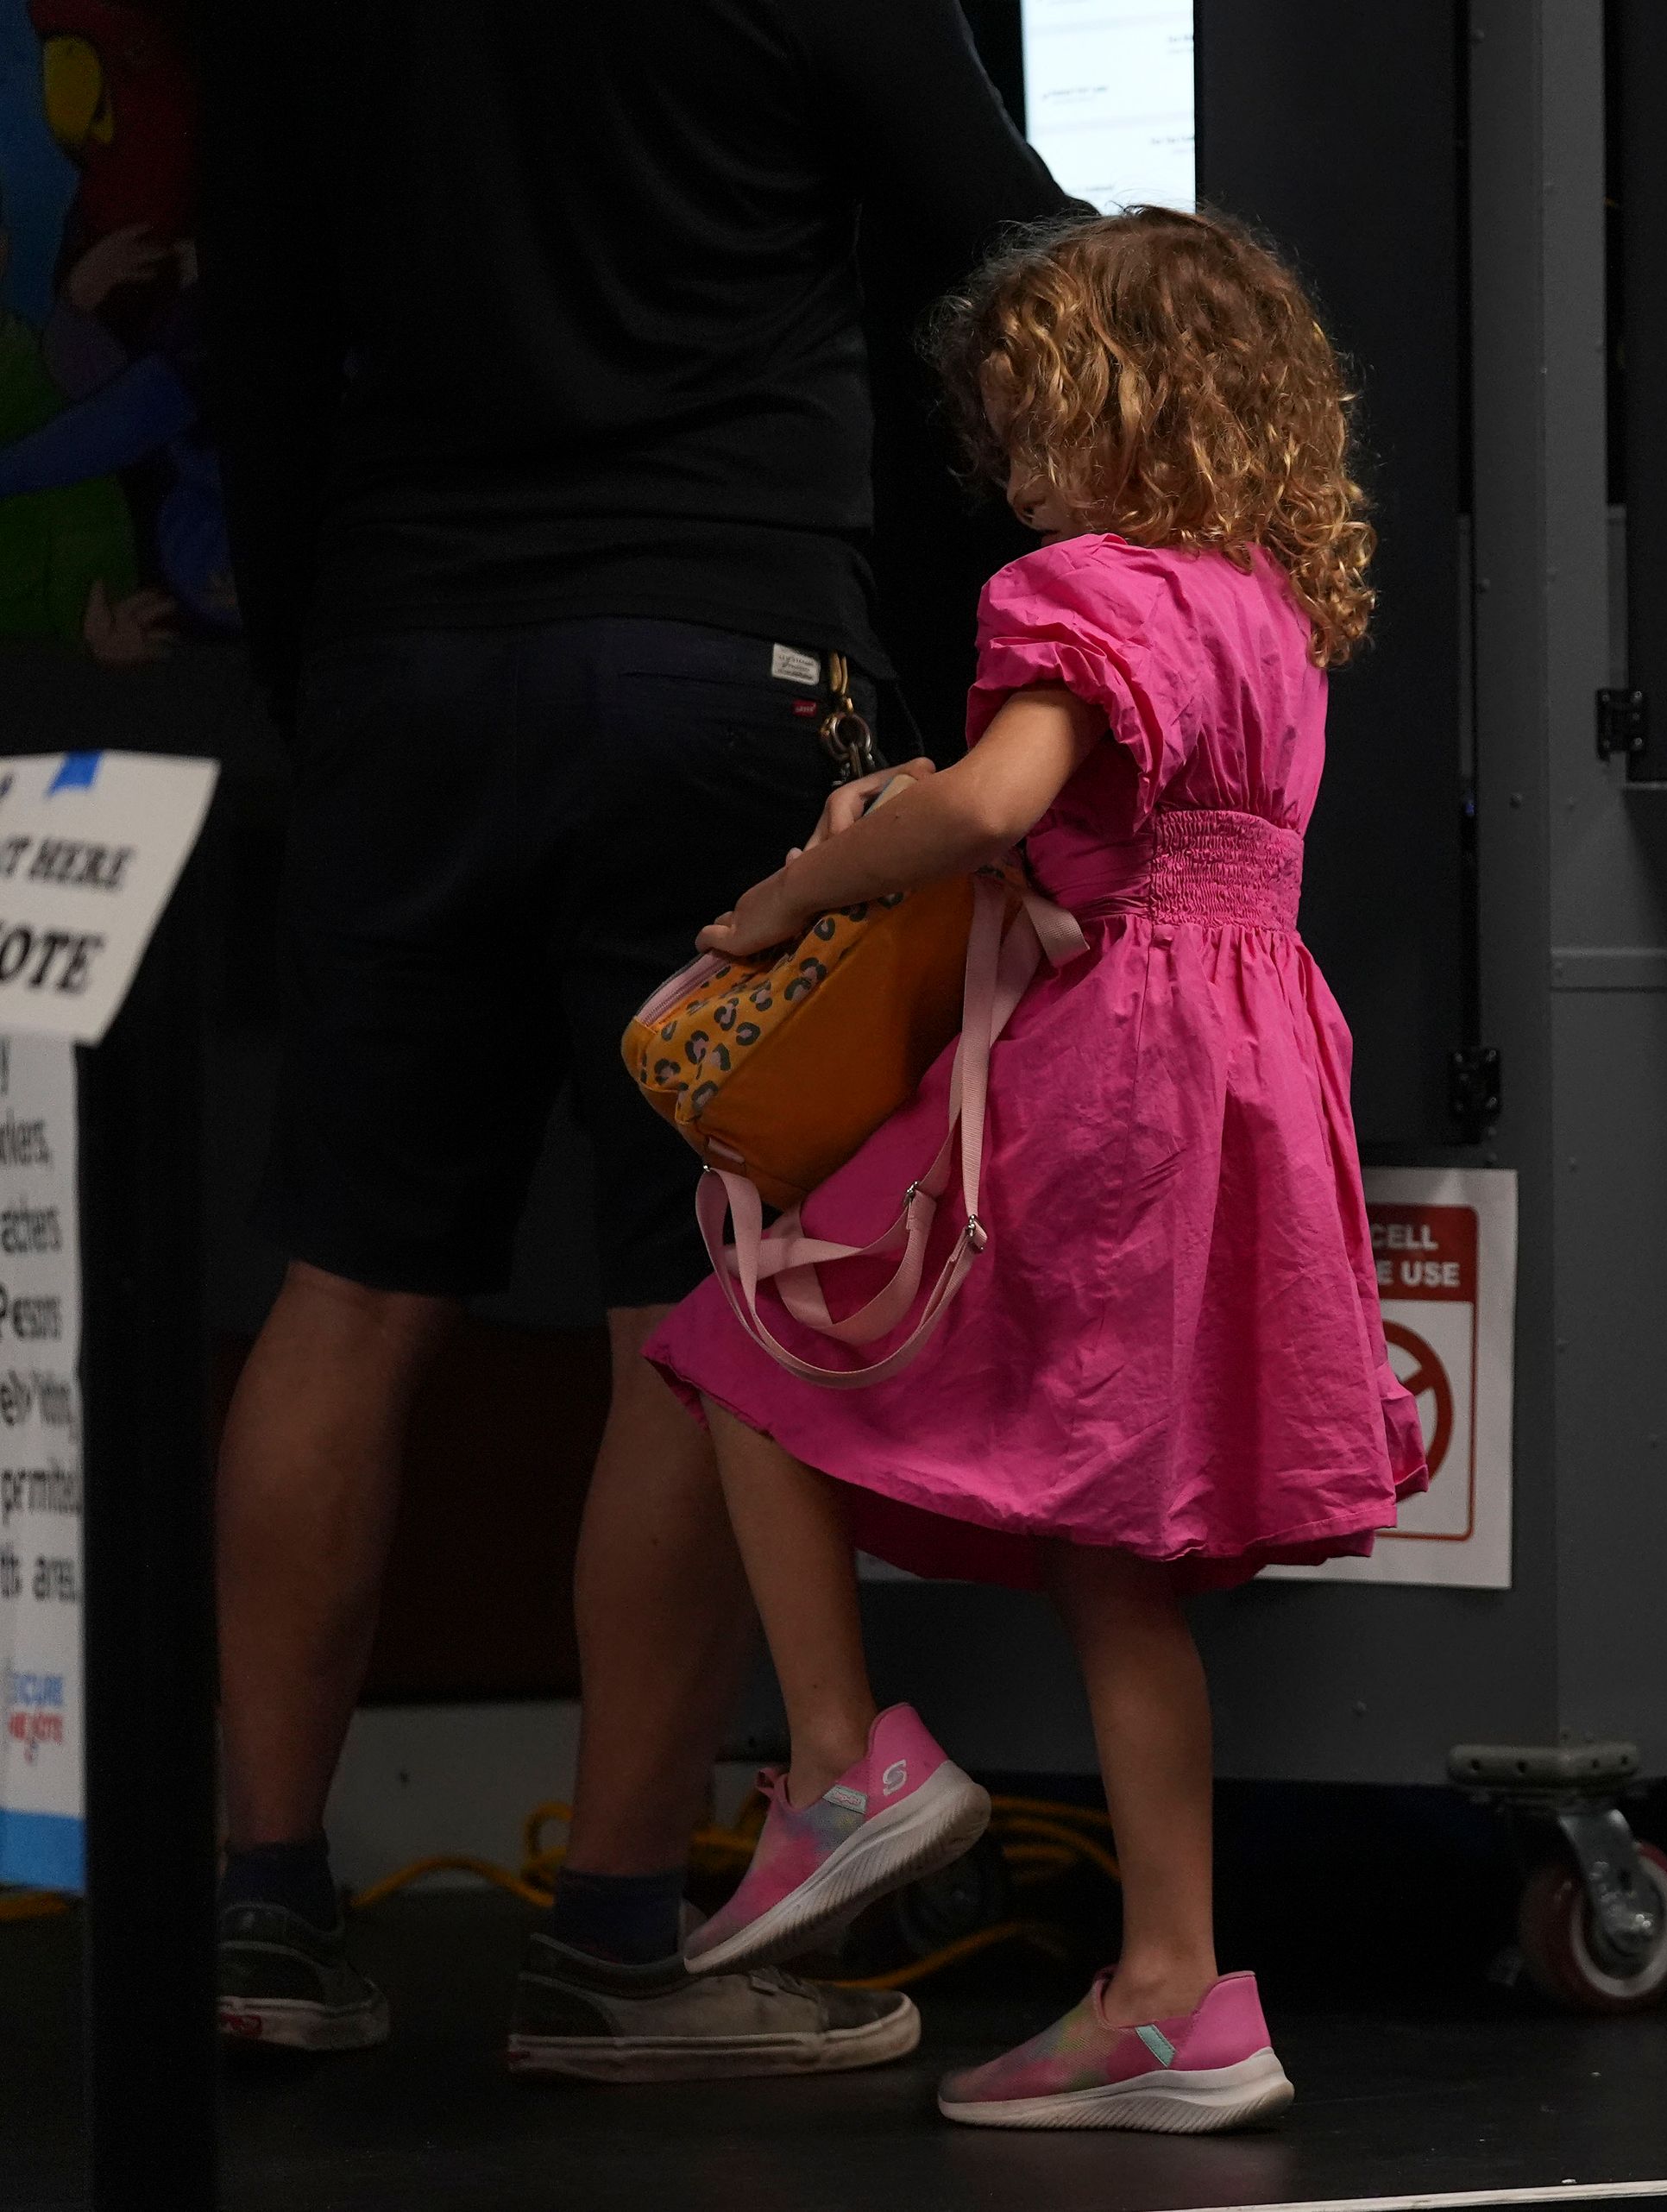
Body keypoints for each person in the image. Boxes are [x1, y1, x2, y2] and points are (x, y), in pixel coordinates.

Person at [197, 0, 1066, 2076]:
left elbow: (250, 347)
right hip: (719, 663)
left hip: (408, 651)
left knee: (348, 1280)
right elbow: (1026, 262)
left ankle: (259, 1909)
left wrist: (331, 680)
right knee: (692, 1304)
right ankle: (614, 1937)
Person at [643, 207, 1426, 2132]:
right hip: (1252, 1077)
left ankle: (844, 1757)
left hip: (1113, 1076)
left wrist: (795, 889)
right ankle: (1182, 1991)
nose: (1009, 465)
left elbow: (998, 803)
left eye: (1027, 417)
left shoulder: (1084, 589)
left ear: (1120, 408)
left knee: (748, 1336)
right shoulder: (1266, 608)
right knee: (1120, 1562)